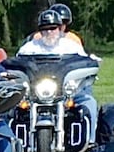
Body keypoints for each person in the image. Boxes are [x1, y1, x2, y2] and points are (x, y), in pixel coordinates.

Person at [17, 9, 98, 137]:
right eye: (45, 28)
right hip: (35, 93)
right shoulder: (29, 48)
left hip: (67, 92)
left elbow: (85, 63)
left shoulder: (72, 46)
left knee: (89, 102)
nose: (49, 32)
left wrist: (92, 63)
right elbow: (16, 64)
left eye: (53, 28)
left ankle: (90, 141)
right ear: (40, 30)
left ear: (60, 29)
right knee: (12, 108)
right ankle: (16, 143)